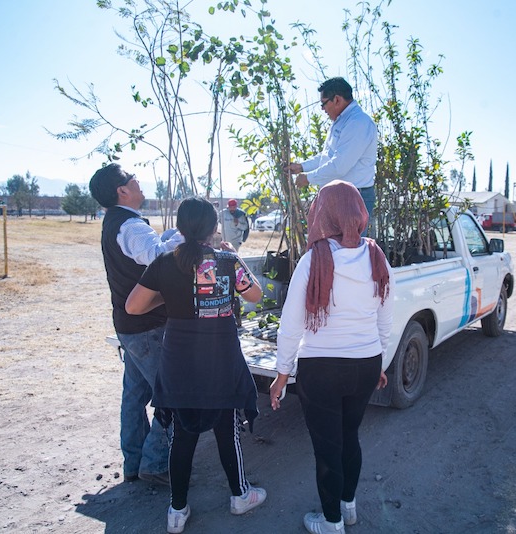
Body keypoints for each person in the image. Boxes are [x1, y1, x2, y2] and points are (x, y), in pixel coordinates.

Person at [126, 196, 266, 534]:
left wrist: (168, 296)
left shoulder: (163, 262)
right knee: (226, 429)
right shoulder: (228, 261)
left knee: (182, 435)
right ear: (214, 228)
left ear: (179, 226)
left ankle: (177, 511)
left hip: (179, 361)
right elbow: (256, 295)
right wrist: (232, 260)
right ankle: (239, 495)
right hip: (220, 359)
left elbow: (133, 306)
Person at [269, 181, 394, 534]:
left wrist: (281, 375)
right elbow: (386, 315)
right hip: (366, 364)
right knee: (349, 436)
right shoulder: (376, 256)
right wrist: (380, 361)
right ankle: (348, 507)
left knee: (327, 446)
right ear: (358, 211)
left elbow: (291, 324)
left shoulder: (314, 259)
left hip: (320, 369)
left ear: (321, 213)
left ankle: (331, 523)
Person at [89, 164, 185, 486]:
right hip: (149, 326)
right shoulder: (129, 224)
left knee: (135, 393)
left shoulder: (116, 223)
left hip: (129, 324)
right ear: (122, 190)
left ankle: (133, 462)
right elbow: (158, 255)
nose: (139, 182)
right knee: (174, 393)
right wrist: (189, 235)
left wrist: (171, 236)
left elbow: (152, 246)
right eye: (134, 178)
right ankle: (156, 463)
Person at [284, 77, 378, 235]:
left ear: (337, 100)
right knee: (336, 251)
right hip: (340, 196)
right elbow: (328, 156)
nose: (322, 109)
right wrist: (301, 167)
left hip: (353, 198)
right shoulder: (342, 121)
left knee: (348, 254)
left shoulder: (358, 123)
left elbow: (339, 166)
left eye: (323, 103)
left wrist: (308, 178)